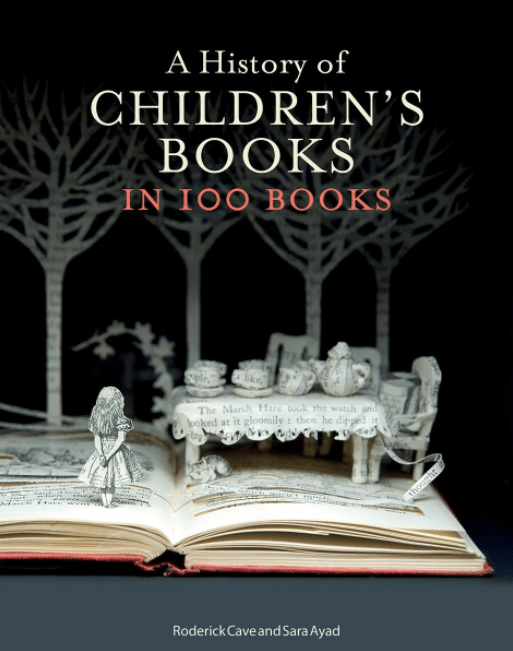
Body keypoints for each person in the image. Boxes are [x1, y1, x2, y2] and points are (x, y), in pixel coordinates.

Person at [79, 386, 143, 507]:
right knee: (110, 480)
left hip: (105, 451)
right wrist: (105, 456)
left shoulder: (100, 419)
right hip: (115, 452)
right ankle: (107, 503)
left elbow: (98, 438)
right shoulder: (120, 420)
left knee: (105, 479)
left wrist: (102, 455)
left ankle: (106, 503)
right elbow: (120, 440)